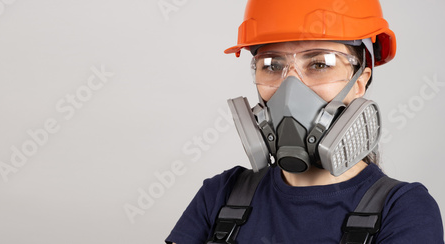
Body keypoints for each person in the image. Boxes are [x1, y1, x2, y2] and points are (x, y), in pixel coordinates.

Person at [165, 0, 444, 243]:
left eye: (320, 63)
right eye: (272, 65)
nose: (290, 89)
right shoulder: (219, 195)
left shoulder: (403, 210)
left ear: (360, 81)